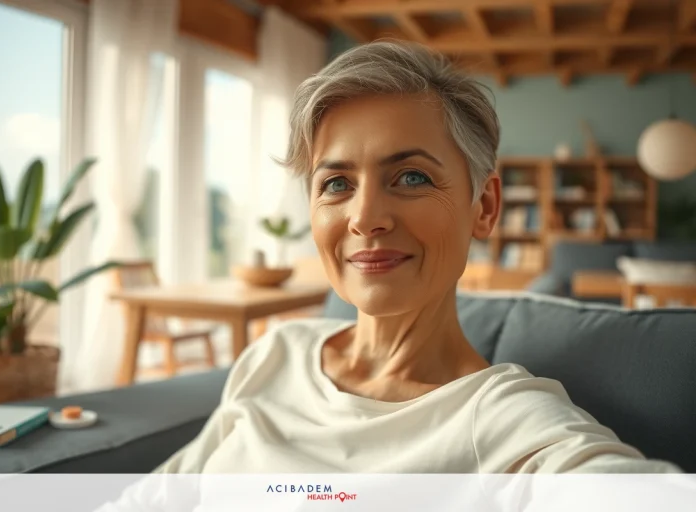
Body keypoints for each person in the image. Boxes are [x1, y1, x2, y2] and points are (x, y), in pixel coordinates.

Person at [154, 41, 679, 474]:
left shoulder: (502, 421)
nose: (365, 217)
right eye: (336, 183)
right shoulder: (276, 355)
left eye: (411, 177)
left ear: (485, 207)